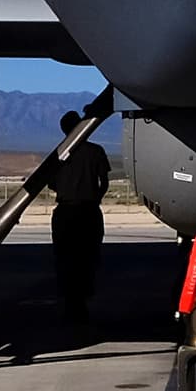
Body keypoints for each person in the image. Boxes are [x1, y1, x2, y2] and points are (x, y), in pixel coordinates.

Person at [49, 133, 110, 326]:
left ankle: (69, 300)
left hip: (65, 211)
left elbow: (51, 183)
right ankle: (82, 298)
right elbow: (104, 181)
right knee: (88, 256)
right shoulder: (96, 151)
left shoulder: (58, 152)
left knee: (64, 257)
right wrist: (96, 196)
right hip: (89, 211)